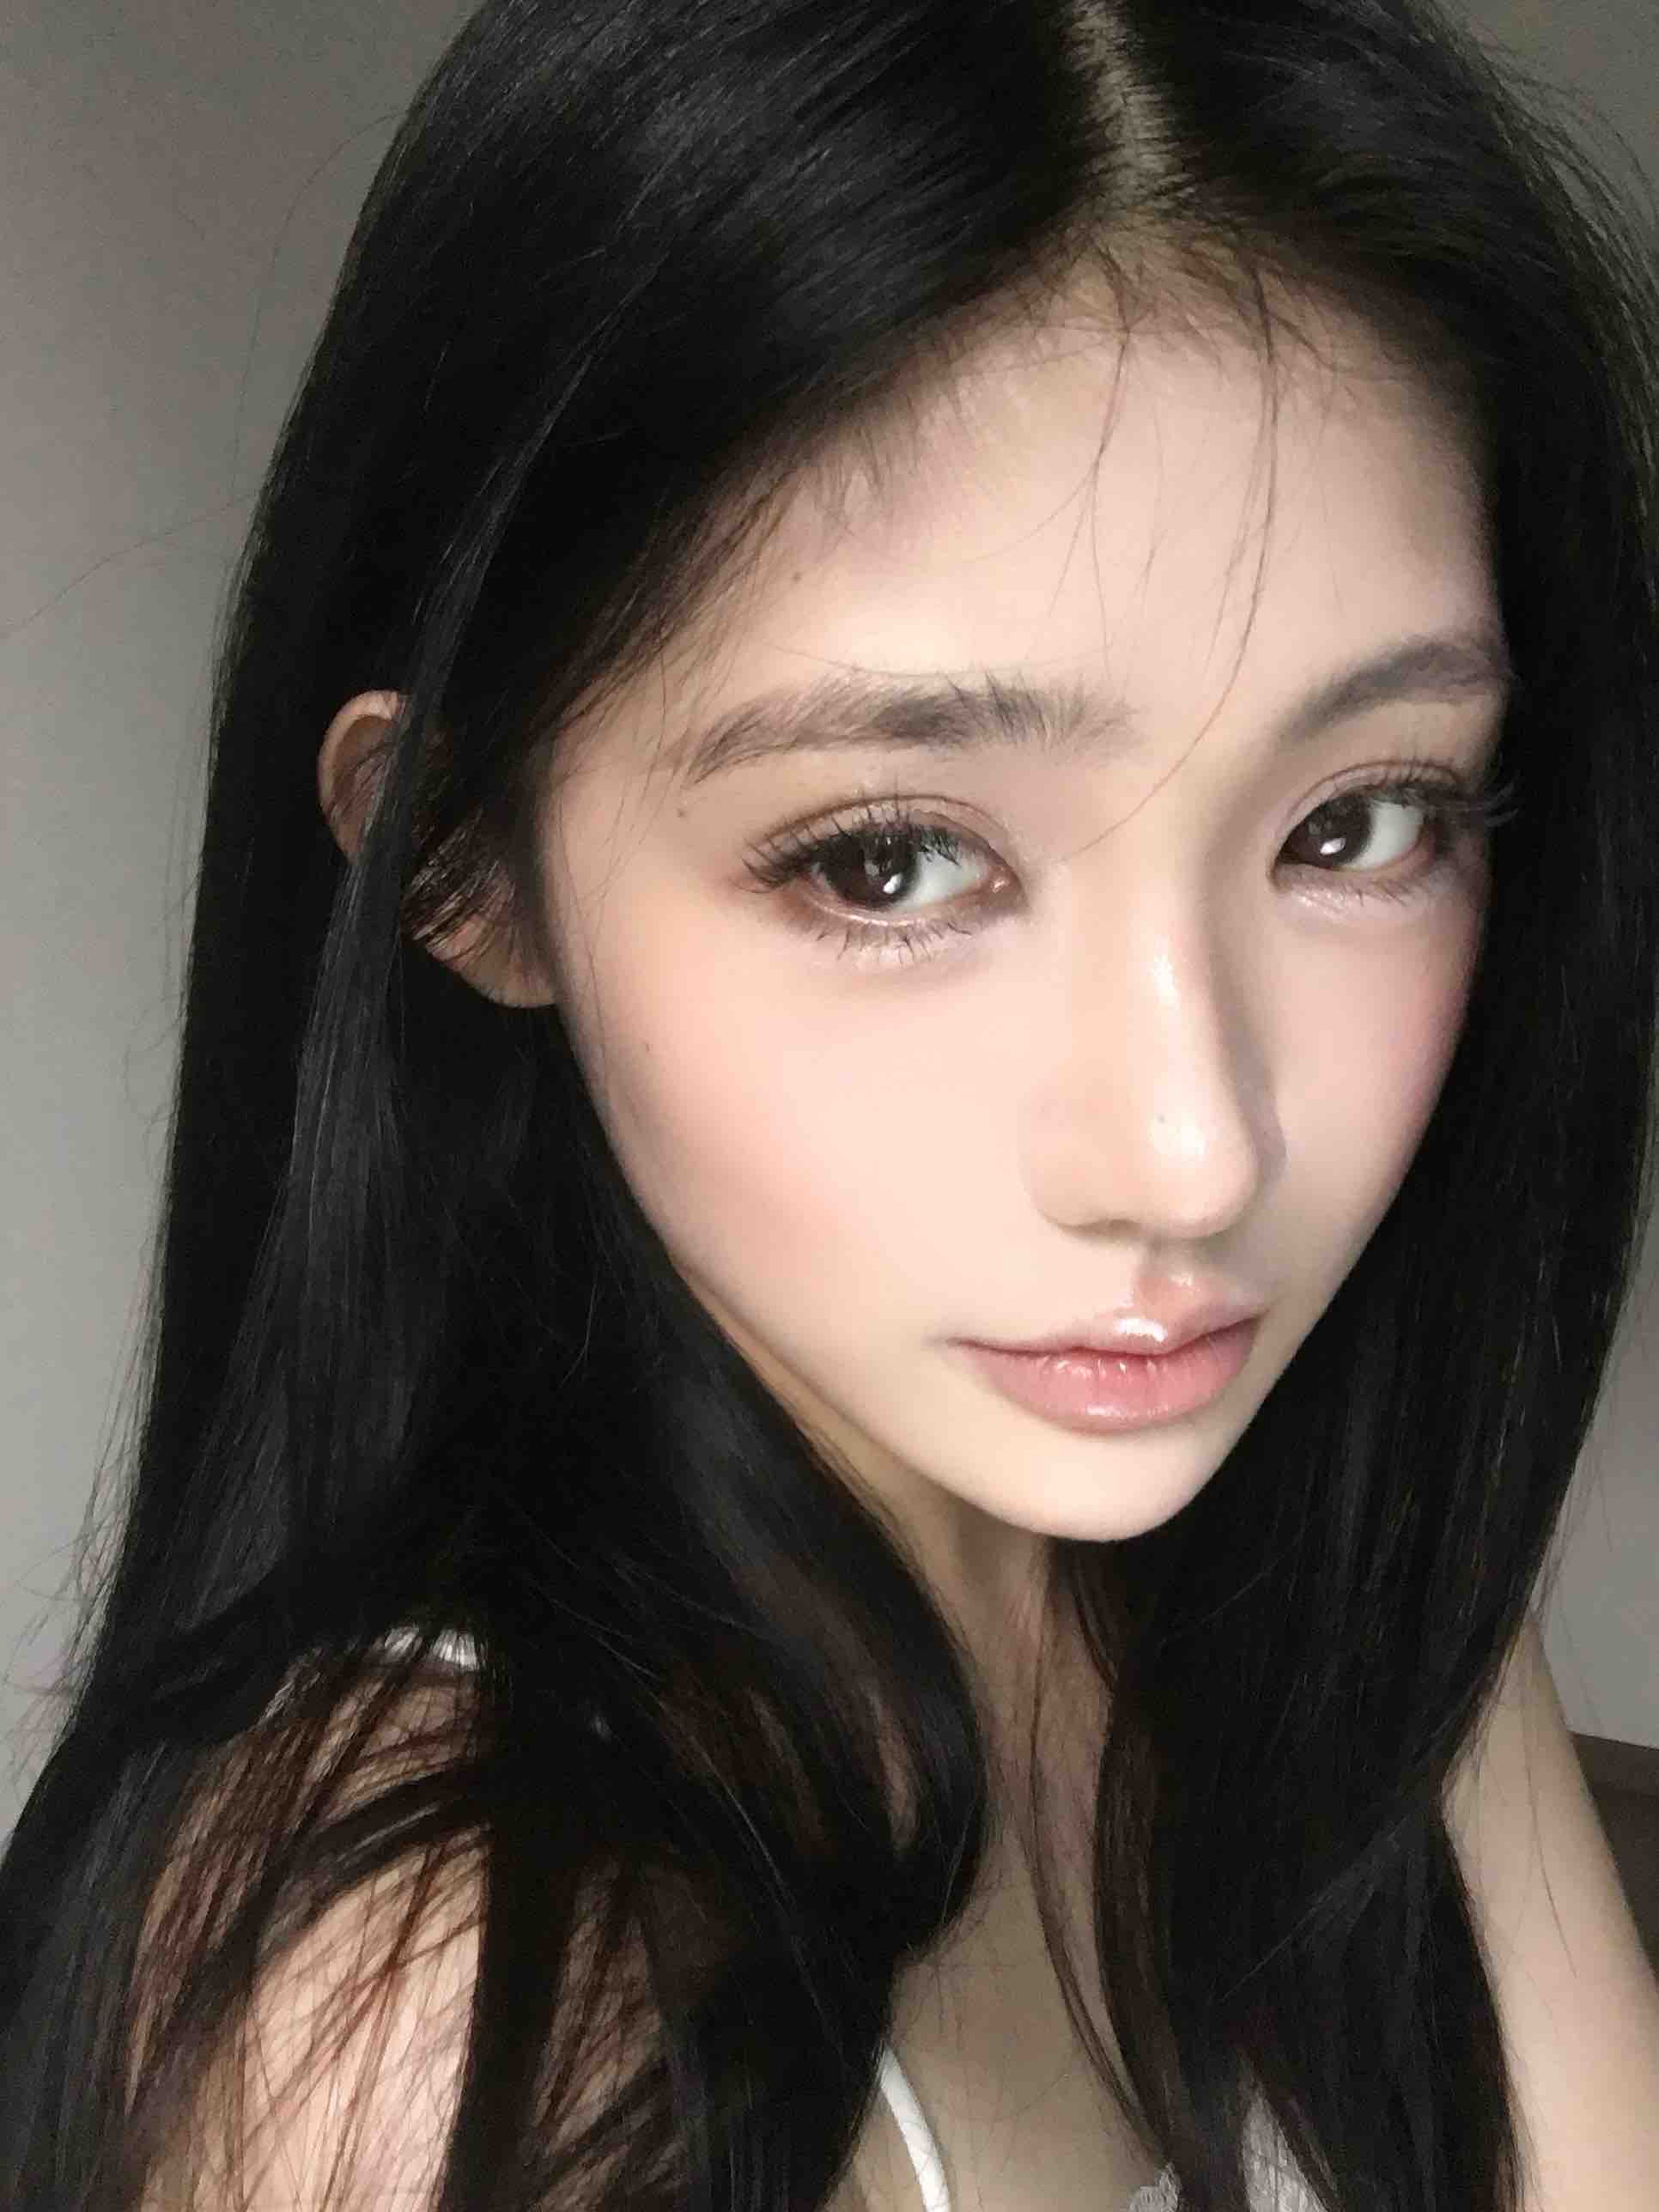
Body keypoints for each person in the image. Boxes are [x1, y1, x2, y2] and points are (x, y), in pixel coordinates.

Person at [3, 0, 1657, 2205]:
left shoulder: (1324, 1533)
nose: (1196, 1152)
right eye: (888, 863)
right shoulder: (452, 2012)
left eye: (1359, 822)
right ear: (465, 865)